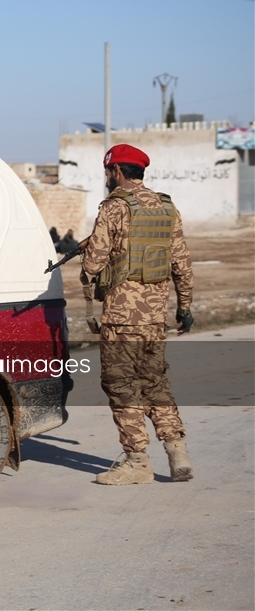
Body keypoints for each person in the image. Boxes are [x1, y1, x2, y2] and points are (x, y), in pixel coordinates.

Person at [81, 143, 194, 486]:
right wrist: (184, 306)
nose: (107, 178)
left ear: (116, 171)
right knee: (155, 382)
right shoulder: (166, 207)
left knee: (122, 386)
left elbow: (93, 263)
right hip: (155, 317)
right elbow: (181, 264)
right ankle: (178, 454)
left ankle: (137, 462)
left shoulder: (114, 208)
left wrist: (91, 262)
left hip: (121, 317)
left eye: (107, 172)